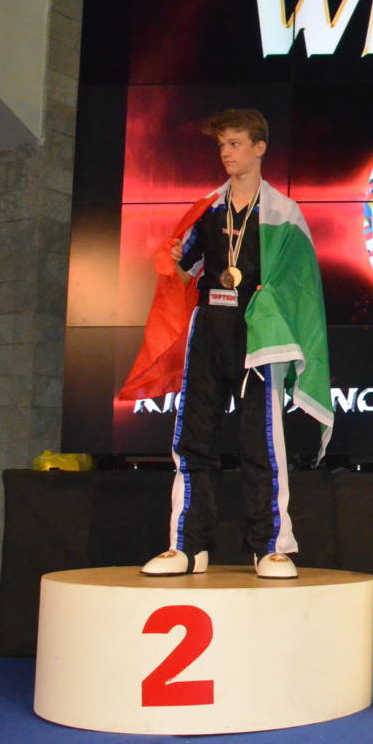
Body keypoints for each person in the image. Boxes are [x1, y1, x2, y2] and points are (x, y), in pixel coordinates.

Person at [120, 109, 333, 579]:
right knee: (193, 439)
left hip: (261, 335)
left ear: (259, 147)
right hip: (210, 328)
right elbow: (184, 272)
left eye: (234, 144)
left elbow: (302, 286)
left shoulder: (284, 213)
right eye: (221, 145)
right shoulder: (207, 209)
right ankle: (187, 545)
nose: (226, 153)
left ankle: (269, 546)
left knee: (262, 442)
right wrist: (173, 259)